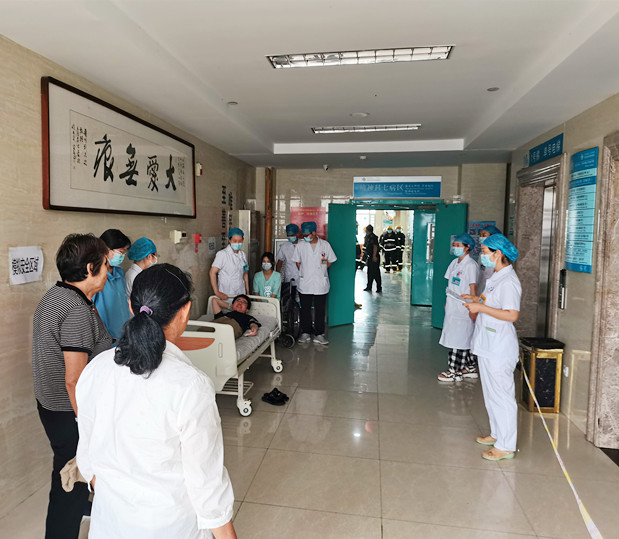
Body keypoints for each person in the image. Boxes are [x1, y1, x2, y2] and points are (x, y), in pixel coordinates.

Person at [76, 264, 236, 538]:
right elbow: (207, 489)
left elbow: (88, 460)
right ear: (185, 311)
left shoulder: (95, 369)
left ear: (130, 307)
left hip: (108, 526)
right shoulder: (190, 386)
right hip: (171, 528)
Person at [32, 233, 113, 539]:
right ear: (90, 268)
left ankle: (77, 511)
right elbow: (74, 379)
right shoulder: (76, 310)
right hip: (69, 410)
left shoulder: (57, 295)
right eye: (106, 265)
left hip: (51, 405)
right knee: (71, 478)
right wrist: (87, 427)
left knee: (69, 473)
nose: (109, 271)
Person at [463, 234, 521, 461]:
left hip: (499, 348)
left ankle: (506, 446)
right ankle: (497, 434)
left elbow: (512, 314)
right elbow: (492, 303)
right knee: (491, 395)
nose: (483, 256)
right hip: (488, 344)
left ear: (498, 253)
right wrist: (476, 299)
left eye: (486, 252)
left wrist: (481, 308)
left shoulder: (509, 281)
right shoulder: (497, 277)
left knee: (502, 397)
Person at [437, 233, 480, 382]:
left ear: (467, 247)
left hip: (464, 306)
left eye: (458, 245)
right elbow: (450, 284)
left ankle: (454, 370)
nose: (455, 247)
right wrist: (446, 302)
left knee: (459, 339)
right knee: (461, 337)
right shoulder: (455, 262)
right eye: (454, 245)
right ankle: (470, 367)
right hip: (452, 303)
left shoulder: (471, 265)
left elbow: (473, 287)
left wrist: (473, 307)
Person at [292, 221, 337, 345]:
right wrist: (304, 272)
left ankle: (319, 334)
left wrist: (321, 270)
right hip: (305, 282)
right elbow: (297, 262)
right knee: (305, 309)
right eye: (304, 235)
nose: (305, 237)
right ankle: (306, 332)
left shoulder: (325, 245)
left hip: (320, 282)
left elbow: (330, 260)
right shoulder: (300, 245)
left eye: (307, 235)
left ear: (314, 232)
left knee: (320, 309)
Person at [93, 229, 132, 340]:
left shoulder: (119, 272)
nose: (123, 256)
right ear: (106, 249)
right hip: (106, 338)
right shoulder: (95, 276)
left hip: (124, 335)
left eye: (125, 252)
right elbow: (90, 309)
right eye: (121, 251)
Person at [210, 227, 249, 300]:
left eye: (240, 241)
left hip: (241, 292)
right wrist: (216, 292)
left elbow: (245, 274)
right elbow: (212, 272)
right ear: (230, 240)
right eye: (235, 241)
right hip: (226, 293)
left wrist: (247, 291)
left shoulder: (243, 255)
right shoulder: (223, 254)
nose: (237, 243)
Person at [276, 223, 300, 321]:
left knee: (302, 299)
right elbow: (280, 261)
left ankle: (301, 318)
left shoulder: (303, 244)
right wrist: (276, 275)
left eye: (292, 235)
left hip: (302, 276)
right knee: (290, 299)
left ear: (297, 234)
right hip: (289, 276)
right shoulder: (284, 246)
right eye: (288, 235)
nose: (290, 237)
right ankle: (291, 319)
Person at [477, 225, 502, 294]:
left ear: (493, 236)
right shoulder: (481, 254)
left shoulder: (498, 254)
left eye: (484, 235)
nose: (481, 237)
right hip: (481, 289)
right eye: (480, 235)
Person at [363, 224, 382, 293]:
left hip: (374, 257)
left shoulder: (373, 237)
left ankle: (379, 287)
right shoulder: (367, 237)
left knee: (376, 273)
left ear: (368, 230)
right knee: (370, 272)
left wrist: (374, 256)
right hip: (370, 257)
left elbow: (375, 247)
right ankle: (369, 286)